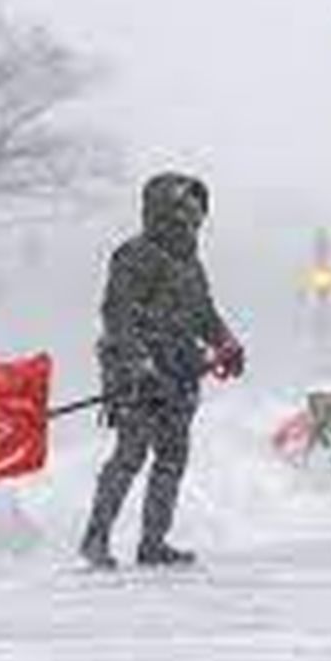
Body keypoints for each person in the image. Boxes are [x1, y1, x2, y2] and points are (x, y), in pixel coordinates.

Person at [80, 172, 244, 569]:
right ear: (161, 211)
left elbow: (204, 313)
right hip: (137, 374)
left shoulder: (190, 263)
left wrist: (225, 342)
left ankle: (153, 541)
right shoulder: (134, 255)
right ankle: (96, 539)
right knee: (130, 454)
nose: (193, 216)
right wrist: (137, 364)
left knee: (172, 456)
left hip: (179, 371)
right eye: (184, 208)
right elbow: (118, 315)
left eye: (196, 209)